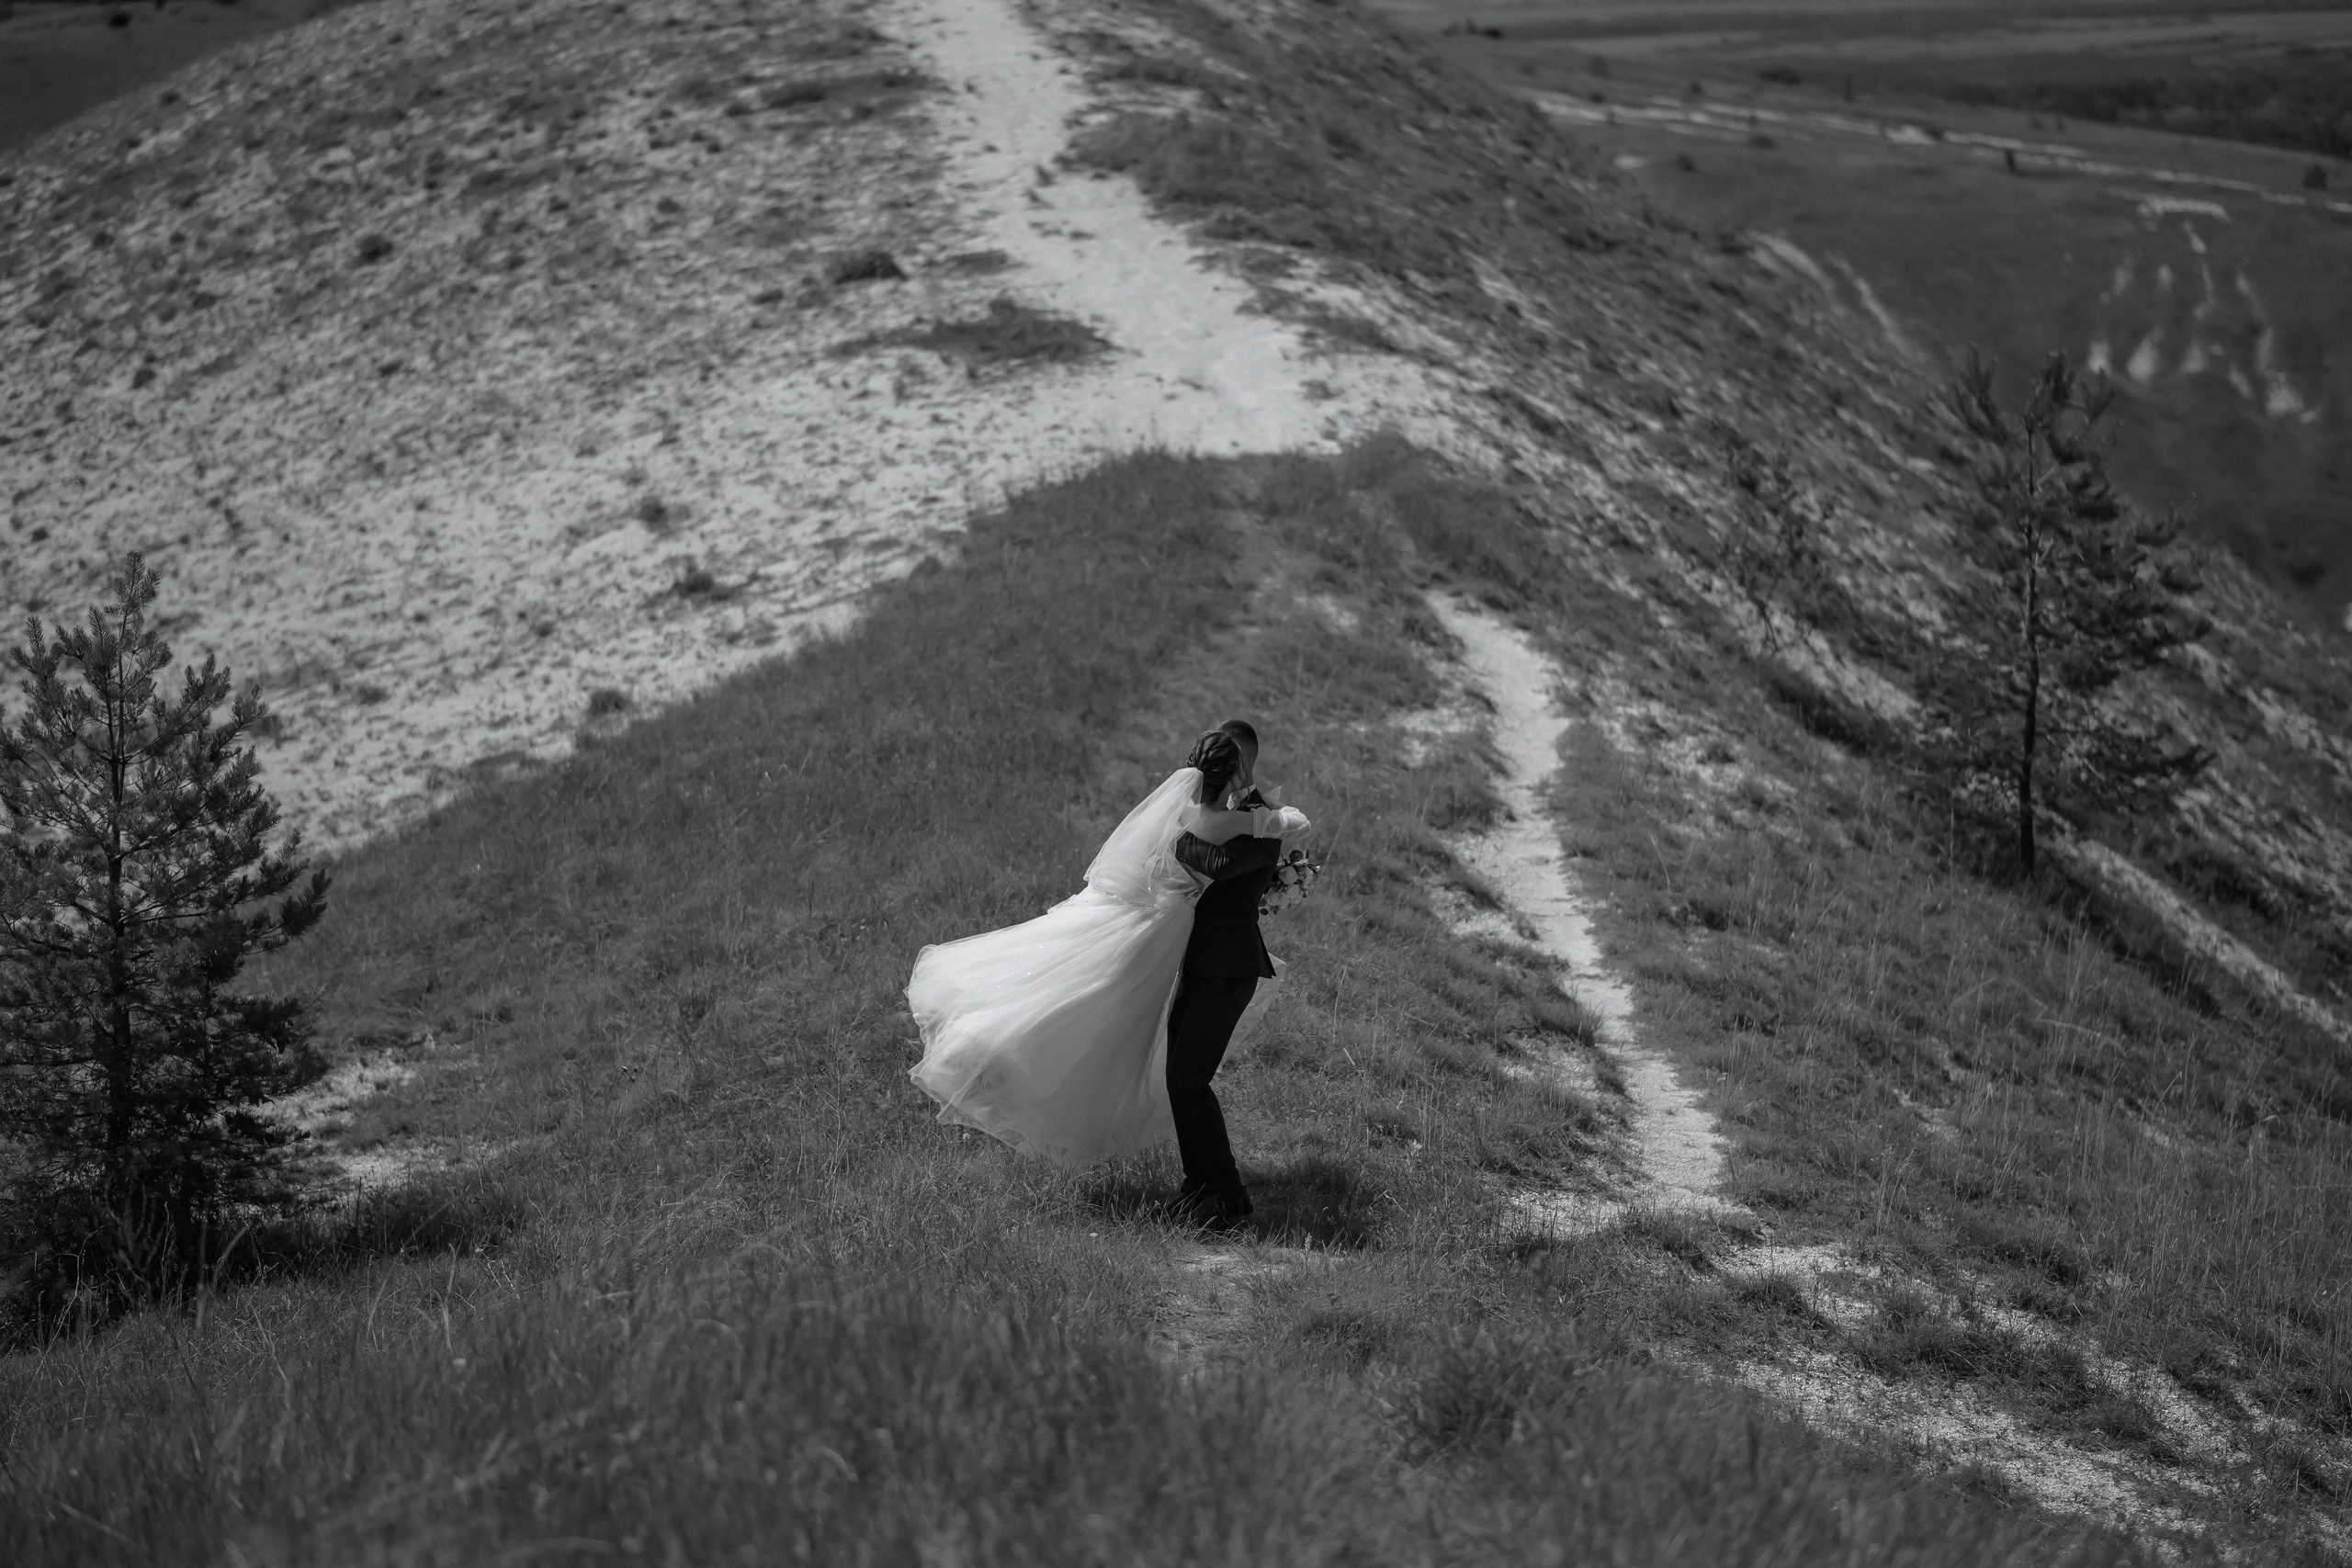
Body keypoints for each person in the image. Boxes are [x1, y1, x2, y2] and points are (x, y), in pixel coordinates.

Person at [904, 722, 1307, 1213]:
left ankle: (1223, 1196)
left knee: (1186, 1081)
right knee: (1179, 1079)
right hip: (1195, 963)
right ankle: (1204, 1189)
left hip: (1227, 966)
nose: (1239, 775)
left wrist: (1201, 836)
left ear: (1249, 762)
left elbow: (1220, 866)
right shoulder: (1217, 817)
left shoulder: (1250, 821)